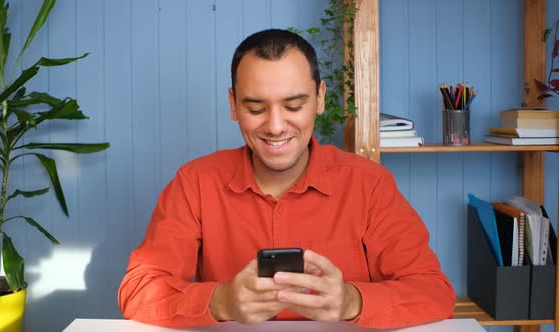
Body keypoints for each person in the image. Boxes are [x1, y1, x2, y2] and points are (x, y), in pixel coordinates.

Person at [118, 29, 455, 328]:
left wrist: (353, 301)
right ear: (233, 104)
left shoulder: (369, 184)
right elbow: (138, 291)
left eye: (294, 105)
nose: (276, 126)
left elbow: (433, 292)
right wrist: (221, 301)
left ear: (320, 98)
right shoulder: (194, 182)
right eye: (255, 107)